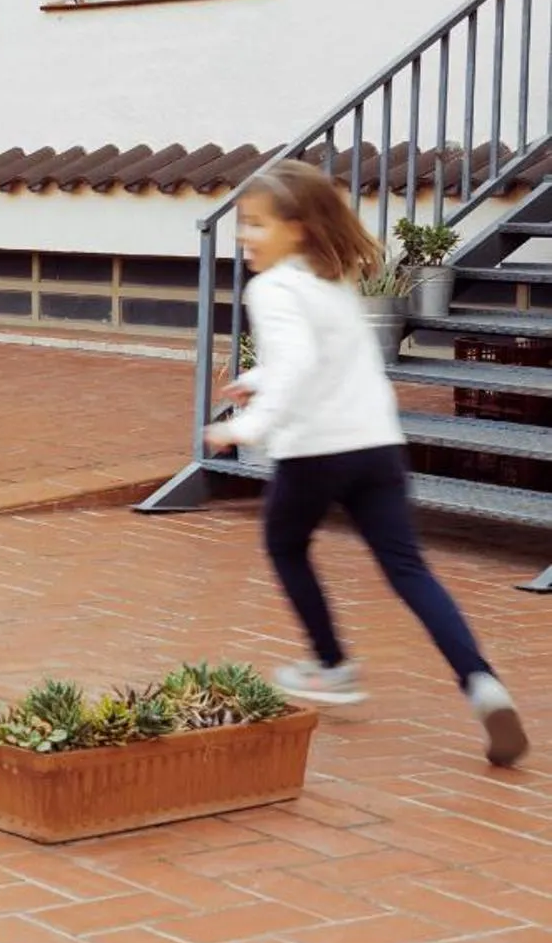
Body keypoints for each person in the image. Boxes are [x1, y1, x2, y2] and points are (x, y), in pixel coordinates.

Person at [206, 160, 526, 766]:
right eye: (242, 224)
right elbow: (317, 357)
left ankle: (331, 665)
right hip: (376, 446)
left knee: (284, 545)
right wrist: (257, 378)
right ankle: (482, 683)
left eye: (257, 224)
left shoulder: (271, 289)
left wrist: (244, 427)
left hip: (315, 451)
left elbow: (299, 364)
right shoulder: (331, 278)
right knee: (409, 569)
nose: (245, 236)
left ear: (297, 227)